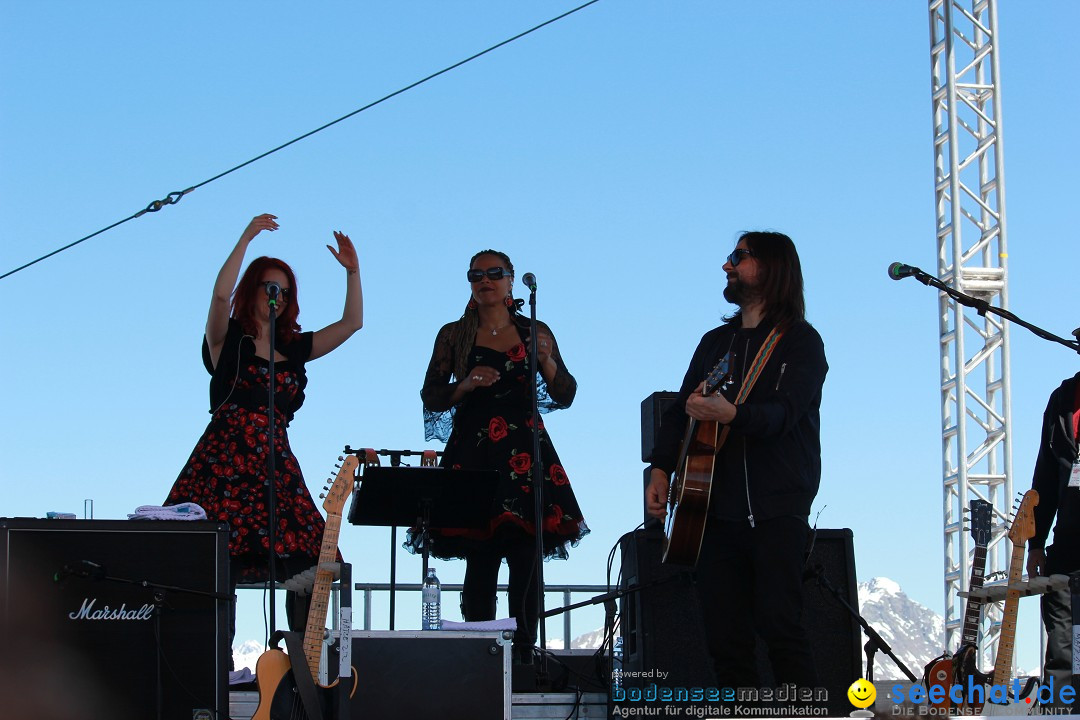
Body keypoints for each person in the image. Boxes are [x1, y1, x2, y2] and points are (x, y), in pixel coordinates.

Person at [165, 213, 363, 662]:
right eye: (270, 286)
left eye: (285, 290)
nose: (278, 295)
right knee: (220, 563)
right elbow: (219, 296)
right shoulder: (228, 342)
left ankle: (302, 665)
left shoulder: (293, 348)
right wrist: (247, 237)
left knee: (314, 558)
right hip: (224, 463)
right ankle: (212, 668)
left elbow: (351, 324)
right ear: (253, 290)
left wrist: (352, 272)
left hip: (275, 464)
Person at [644, 231, 827, 688]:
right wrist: (661, 468)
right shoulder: (714, 343)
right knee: (725, 642)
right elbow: (677, 411)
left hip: (777, 510)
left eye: (738, 257)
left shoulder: (800, 341)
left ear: (771, 266)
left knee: (781, 628)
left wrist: (732, 413)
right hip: (710, 512)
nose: (727, 266)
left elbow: (784, 415)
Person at [410, 249, 589, 663]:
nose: (485, 280)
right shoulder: (452, 334)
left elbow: (566, 395)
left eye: (495, 273)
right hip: (472, 452)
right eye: (477, 274)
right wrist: (465, 386)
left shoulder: (534, 331)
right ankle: (480, 657)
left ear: (511, 281)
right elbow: (431, 396)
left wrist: (545, 360)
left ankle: (524, 657)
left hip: (524, 449)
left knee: (527, 557)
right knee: (479, 558)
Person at [1026, 367, 1080, 711]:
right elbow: (1045, 474)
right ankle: (1059, 713)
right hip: (1068, 542)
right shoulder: (1063, 399)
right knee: (1062, 640)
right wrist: (1035, 542)